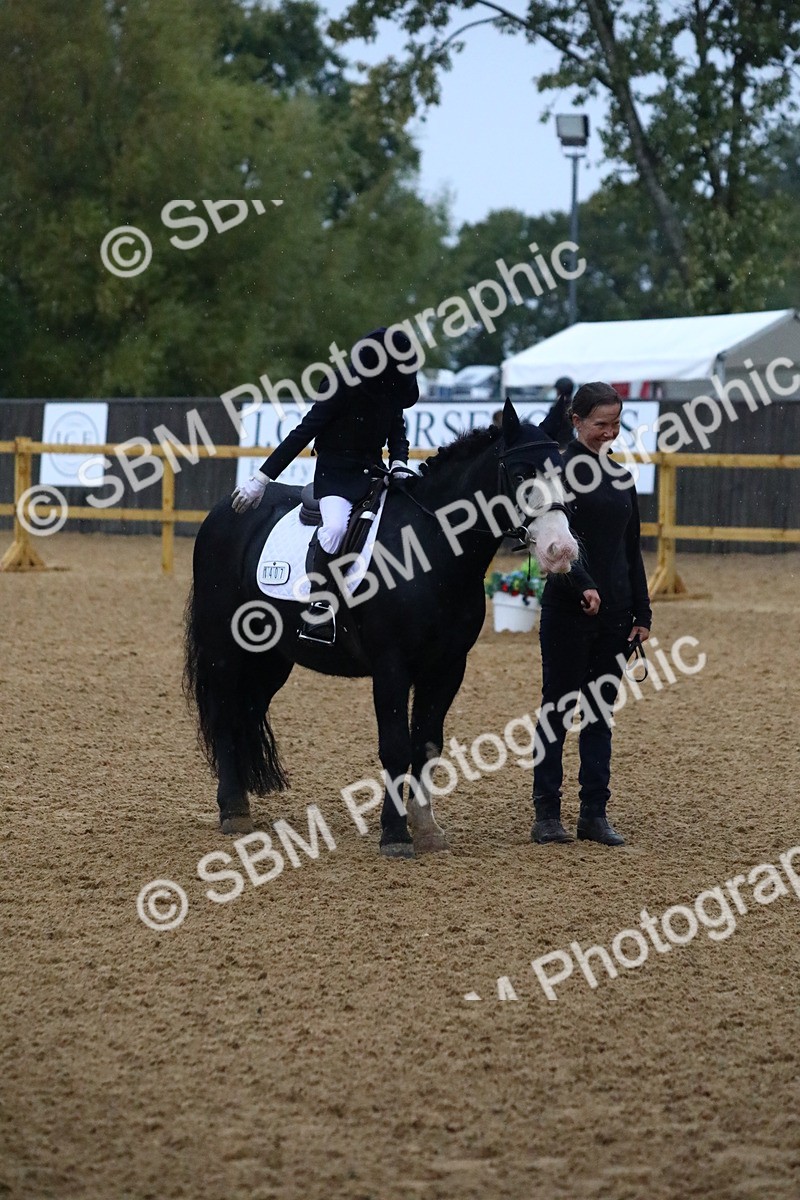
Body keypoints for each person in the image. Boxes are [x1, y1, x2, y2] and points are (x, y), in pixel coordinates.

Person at [231, 327, 418, 643]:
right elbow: (303, 432)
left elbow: (397, 433)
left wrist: (400, 464)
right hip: (336, 476)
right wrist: (261, 479)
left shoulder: (390, 388)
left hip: (375, 474)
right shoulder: (340, 385)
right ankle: (320, 604)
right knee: (333, 529)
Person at [531, 381, 651, 847]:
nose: (609, 433)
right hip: (567, 607)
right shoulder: (554, 472)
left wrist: (642, 610)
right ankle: (546, 813)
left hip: (616, 613)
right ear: (575, 421)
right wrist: (582, 583)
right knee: (557, 710)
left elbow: (631, 549)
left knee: (600, 713)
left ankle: (594, 813)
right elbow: (552, 540)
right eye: (600, 424)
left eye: (616, 424)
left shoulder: (622, 478)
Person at [538, 375, 575, 449]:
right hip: (571, 443)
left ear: (558, 390)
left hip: (559, 445)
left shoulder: (557, 407)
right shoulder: (575, 405)